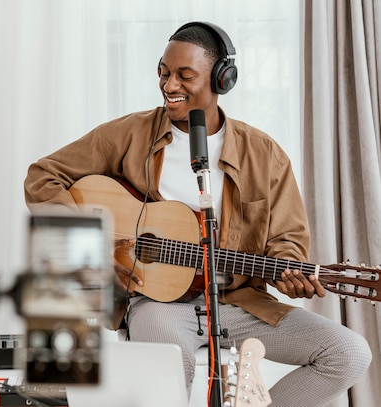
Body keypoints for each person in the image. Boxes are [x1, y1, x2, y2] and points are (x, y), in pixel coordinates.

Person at [24, 22, 372, 406]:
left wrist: (289, 271)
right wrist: (90, 247)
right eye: (164, 72)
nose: (169, 85)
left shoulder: (265, 154)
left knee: (349, 353)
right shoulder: (128, 134)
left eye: (185, 76)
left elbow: (287, 240)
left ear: (222, 79)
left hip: (238, 302)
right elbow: (43, 176)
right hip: (158, 304)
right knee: (166, 377)